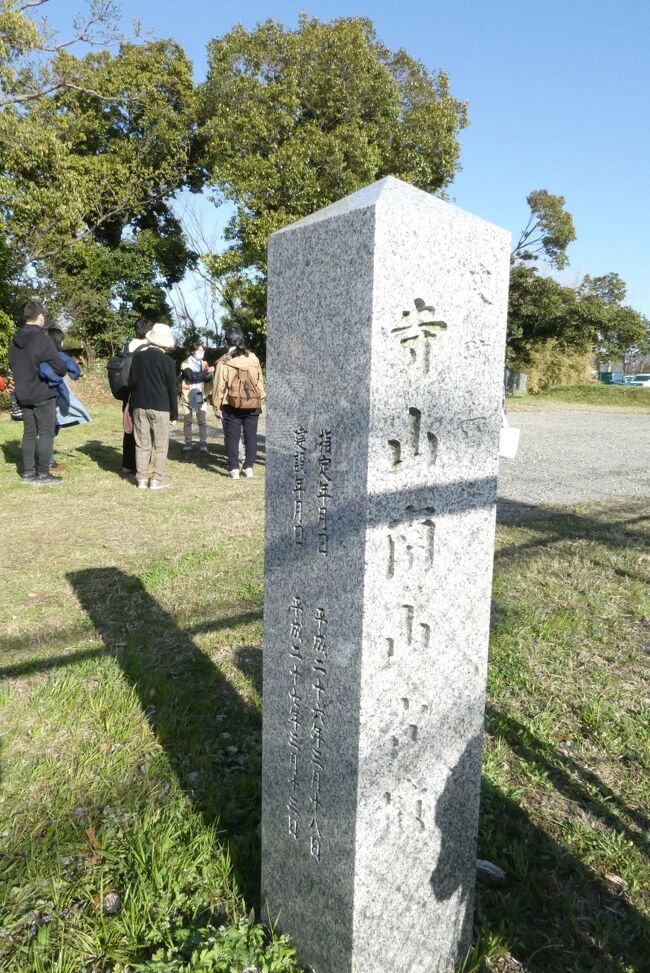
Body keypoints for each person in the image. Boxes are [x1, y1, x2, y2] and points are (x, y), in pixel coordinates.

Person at [8, 301, 68, 485]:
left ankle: (28, 473)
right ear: (40, 316)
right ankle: (43, 474)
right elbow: (60, 367)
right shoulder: (42, 339)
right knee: (46, 433)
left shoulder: (14, 339)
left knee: (28, 433)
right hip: (42, 392)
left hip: (22, 393)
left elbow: (12, 365)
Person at [128, 322, 178, 490]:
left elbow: (131, 382)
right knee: (161, 445)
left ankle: (141, 478)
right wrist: (174, 414)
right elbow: (172, 389)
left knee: (142, 443)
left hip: (139, 404)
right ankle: (156, 479)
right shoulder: (169, 362)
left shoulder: (137, 357)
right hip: (161, 406)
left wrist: (130, 406)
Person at [212, 326, 265, 479]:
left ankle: (234, 468)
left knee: (232, 437)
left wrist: (217, 406)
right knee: (251, 437)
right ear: (242, 340)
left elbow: (219, 386)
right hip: (252, 403)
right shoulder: (253, 358)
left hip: (231, 404)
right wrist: (260, 400)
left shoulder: (224, 361)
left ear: (226, 342)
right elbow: (259, 381)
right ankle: (248, 467)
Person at [38, 327, 91, 471]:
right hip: (52, 395)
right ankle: (48, 461)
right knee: (50, 430)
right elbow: (75, 371)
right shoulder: (59, 355)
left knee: (44, 429)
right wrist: (60, 378)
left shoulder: (37, 354)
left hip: (36, 394)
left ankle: (44, 458)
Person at [121, 318, 152, 474]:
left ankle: (127, 464)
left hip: (127, 392)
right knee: (144, 430)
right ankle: (142, 464)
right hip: (142, 392)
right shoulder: (147, 349)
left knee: (129, 429)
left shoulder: (126, 346)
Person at [179, 341, 215, 452]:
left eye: (203, 350)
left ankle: (203, 443)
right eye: (200, 350)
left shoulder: (204, 364)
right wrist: (206, 373)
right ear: (193, 351)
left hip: (200, 394)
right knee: (187, 421)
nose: (202, 352)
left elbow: (207, 379)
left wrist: (209, 374)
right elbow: (192, 377)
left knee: (202, 421)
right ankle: (188, 442)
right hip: (187, 395)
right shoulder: (185, 363)